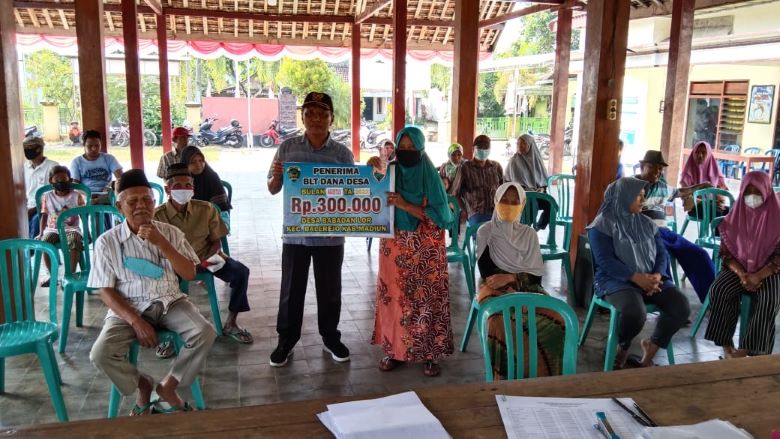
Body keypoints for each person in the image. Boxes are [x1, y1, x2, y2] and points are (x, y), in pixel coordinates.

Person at [88, 169, 216, 415]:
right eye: (132, 201)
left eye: (146, 200)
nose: (141, 206)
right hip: (128, 308)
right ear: (119, 206)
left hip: (170, 301)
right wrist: (136, 321)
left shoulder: (170, 233)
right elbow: (106, 292)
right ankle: (142, 384)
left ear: (154, 202)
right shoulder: (107, 242)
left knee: (205, 332)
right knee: (101, 354)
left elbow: (189, 273)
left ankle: (169, 386)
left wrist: (162, 243)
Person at [266, 91, 353, 367]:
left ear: (331, 119)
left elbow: (352, 194)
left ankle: (330, 337)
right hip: (296, 235)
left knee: (330, 291)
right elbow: (272, 188)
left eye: (322, 114)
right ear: (302, 117)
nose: (316, 119)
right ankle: (286, 340)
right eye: (310, 114)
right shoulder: (288, 148)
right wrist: (277, 176)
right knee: (291, 290)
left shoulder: (342, 154)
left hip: (330, 236)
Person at [370, 126, 454, 377]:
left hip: (425, 249)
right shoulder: (391, 171)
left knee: (426, 300)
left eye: (412, 148)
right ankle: (394, 350)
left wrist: (405, 204)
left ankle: (429, 354)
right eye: (402, 148)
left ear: (421, 149)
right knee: (394, 298)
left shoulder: (430, 176)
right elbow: (374, 196)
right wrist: (372, 176)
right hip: (394, 245)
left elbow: (441, 217)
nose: (406, 152)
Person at [587, 177, 690, 368]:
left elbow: (661, 254)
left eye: (644, 195)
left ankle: (652, 347)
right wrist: (635, 277)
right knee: (635, 313)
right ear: (623, 197)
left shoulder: (647, 223)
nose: (643, 200)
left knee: (680, 306)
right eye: (638, 196)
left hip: (650, 277)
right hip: (615, 280)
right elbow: (605, 261)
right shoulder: (601, 225)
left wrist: (657, 276)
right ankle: (622, 346)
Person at [154, 163, 252, 344]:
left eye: (188, 185)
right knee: (161, 285)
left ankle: (231, 323)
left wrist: (205, 261)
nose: (184, 189)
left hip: (206, 259)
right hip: (174, 266)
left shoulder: (206, 209)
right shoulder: (157, 215)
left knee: (240, 272)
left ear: (193, 188)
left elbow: (216, 241)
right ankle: (169, 337)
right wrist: (183, 265)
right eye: (178, 186)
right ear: (167, 189)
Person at [476, 182, 565, 379]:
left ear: (523, 205)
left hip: (527, 285)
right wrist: (509, 290)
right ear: (496, 201)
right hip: (494, 286)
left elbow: (536, 276)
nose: (509, 205)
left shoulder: (529, 234)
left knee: (558, 318)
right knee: (499, 322)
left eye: (515, 202)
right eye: (504, 200)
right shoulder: (486, 232)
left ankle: (543, 377)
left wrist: (514, 281)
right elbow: (487, 272)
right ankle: (505, 380)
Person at [704, 171, 780, 358]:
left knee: (768, 298)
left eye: (757, 192)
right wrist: (743, 275)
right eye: (748, 192)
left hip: (770, 270)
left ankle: (746, 349)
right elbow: (727, 254)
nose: (752, 197)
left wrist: (758, 275)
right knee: (720, 290)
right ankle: (726, 346)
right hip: (739, 269)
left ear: (767, 191)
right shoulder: (734, 217)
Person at [637, 150, 715, 303]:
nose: (657, 172)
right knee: (663, 257)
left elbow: (680, 192)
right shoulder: (633, 185)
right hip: (647, 234)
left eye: (660, 169)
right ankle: (670, 302)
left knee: (699, 255)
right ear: (642, 167)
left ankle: (713, 300)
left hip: (666, 232)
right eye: (652, 167)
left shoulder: (662, 186)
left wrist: (700, 185)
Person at [38, 166, 86, 283]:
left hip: (72, 228)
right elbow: (44, 215)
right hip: (53, 229)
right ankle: (52, 276)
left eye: (64, 180)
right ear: (51, 181)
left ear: (70, 180)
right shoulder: (47, 196)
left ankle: (70, 276)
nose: (61, 183)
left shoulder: (76, 196)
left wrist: (87, 231)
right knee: (45, 243)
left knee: (74, 241)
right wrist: (40, 233)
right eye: (57, 181)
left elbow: (83, 214)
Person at [448, 134, 504, 226]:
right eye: (480, 147)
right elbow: (455, 193)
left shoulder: (496, 167)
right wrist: (465, 211)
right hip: (476, 212)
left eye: (486, 147)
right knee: (482, 232)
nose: (483, 150)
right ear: (473, 149)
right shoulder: (465, 168)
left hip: (497, 211)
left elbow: (503, 190)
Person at [504, 134, 551, 230]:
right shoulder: (514, 161)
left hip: (536, 193)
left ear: (530, 145)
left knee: (550, 205)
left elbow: (543, 181)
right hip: (520, 194)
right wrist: (528, 190)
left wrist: (542, 189)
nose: (520, 146)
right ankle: (525, 229)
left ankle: (538, 227)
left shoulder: (537, 160)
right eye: (518, 143)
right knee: (532, 204)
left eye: (523, 143)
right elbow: (510, 182)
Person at [680, 141, 730, 219]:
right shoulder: (687, 173)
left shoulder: (715, 171)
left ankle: (720, 227)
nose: (700, 155)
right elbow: (685, 197)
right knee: (716, 213)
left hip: (713, 206)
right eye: (697, 152)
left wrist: (720, 201)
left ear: (709, 155)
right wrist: (705, 202)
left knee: (731, 212)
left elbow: (721, 193)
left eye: (703, 153)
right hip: (695, 207)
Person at [71, 130, 123, 203]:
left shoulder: (109, 158)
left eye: (97, 145)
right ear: (84, 145)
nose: (94, 149)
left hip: (106, 194)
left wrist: (110, 186)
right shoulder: (76, 162)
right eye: (90, 146)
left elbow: (121, 178)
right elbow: (75, 186)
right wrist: (87, 194)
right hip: (86, 195)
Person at [23, 136, 58, 239]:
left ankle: (34, 247)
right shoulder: (25, 167)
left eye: (30, 148)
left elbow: (55, 194)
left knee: (36, 221)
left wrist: (33, 209)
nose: (27, 151)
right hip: (28, 207)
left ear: (39, 149)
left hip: (47, 208)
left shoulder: (53, 167)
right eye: (25, 148)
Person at [180, 146, 231, 212]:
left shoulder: (212, 177)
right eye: (193, 162)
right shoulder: (181, 180)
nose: (198, 165)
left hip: (211, 214)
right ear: (185, 165)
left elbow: (221, 208)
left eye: (201, 161)